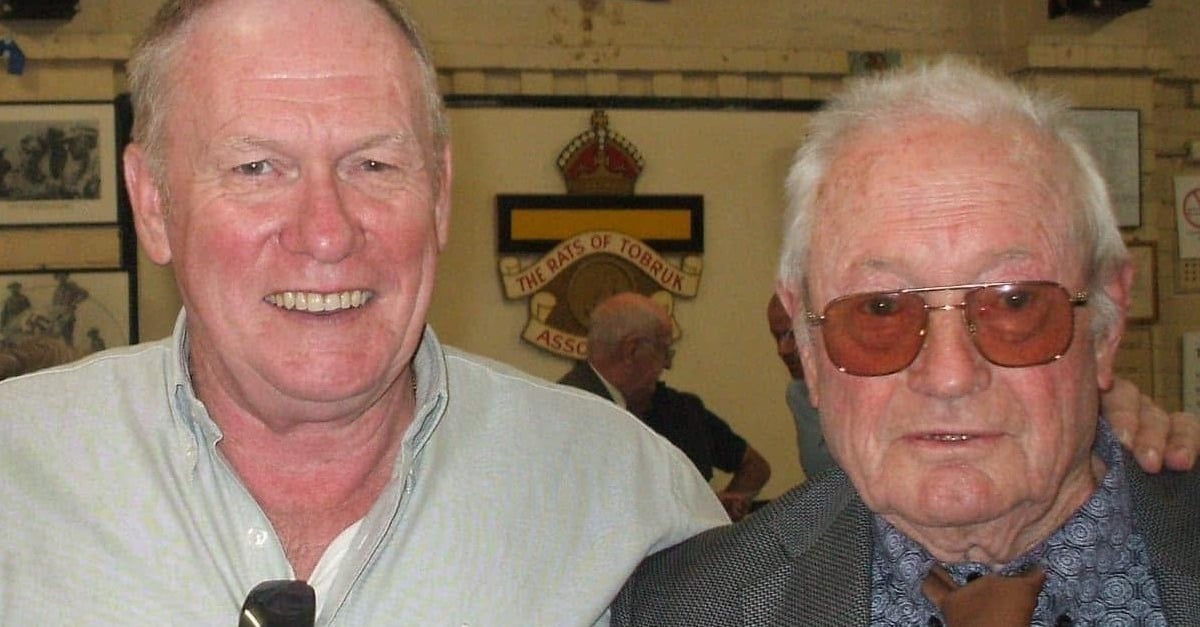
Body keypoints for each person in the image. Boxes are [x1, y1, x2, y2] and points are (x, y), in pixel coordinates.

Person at [0, 1, 728, 624]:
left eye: (373, 165)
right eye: (257, 167)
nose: (326, 231)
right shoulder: (19, 473)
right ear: (152, 201)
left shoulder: (628, 501)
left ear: (440, 194)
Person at [611, 57, 1200, 625]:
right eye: (880, 308)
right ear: (808, 348)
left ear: (1106, 321)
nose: (948, 375)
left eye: (1014, 301)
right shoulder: (680, 609)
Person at [560, 291, 772, 521]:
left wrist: (715, 513)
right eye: (664, 351)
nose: (669, 364)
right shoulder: (568, 413)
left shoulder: (678, 409)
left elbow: (755, 466)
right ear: (631, 350)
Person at [767, 292, 837, 479]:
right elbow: (821, 478)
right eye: (777, 337)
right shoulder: (799, 394)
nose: (782, 350)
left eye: (792, 335)